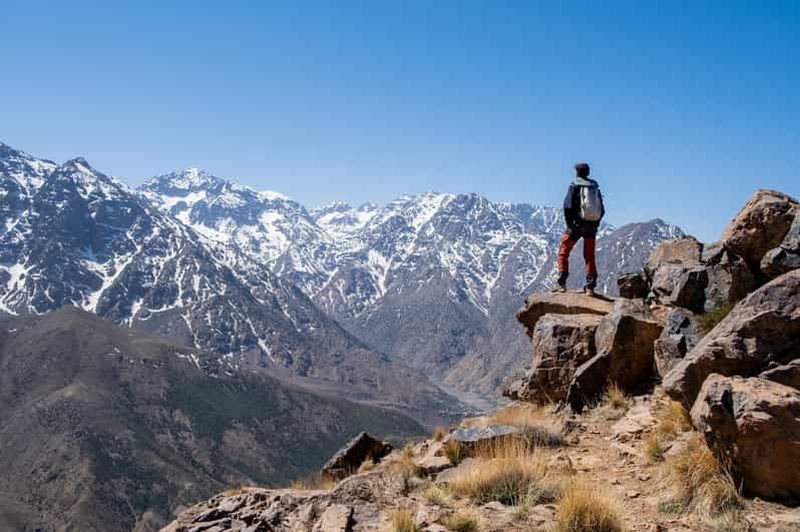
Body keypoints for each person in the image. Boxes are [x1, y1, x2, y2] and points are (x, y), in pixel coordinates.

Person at [553, 162, 605, 295]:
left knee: (563, 252)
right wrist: (595, 223)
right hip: (591, 227)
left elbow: (568, 206)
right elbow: (602, 209)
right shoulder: (594, 187)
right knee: (589, 256)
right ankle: (590, 287)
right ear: (588, 173)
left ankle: (561, 283)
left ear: (577, 172)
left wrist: (571, 225)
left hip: (575, 227)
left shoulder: (574, 185)